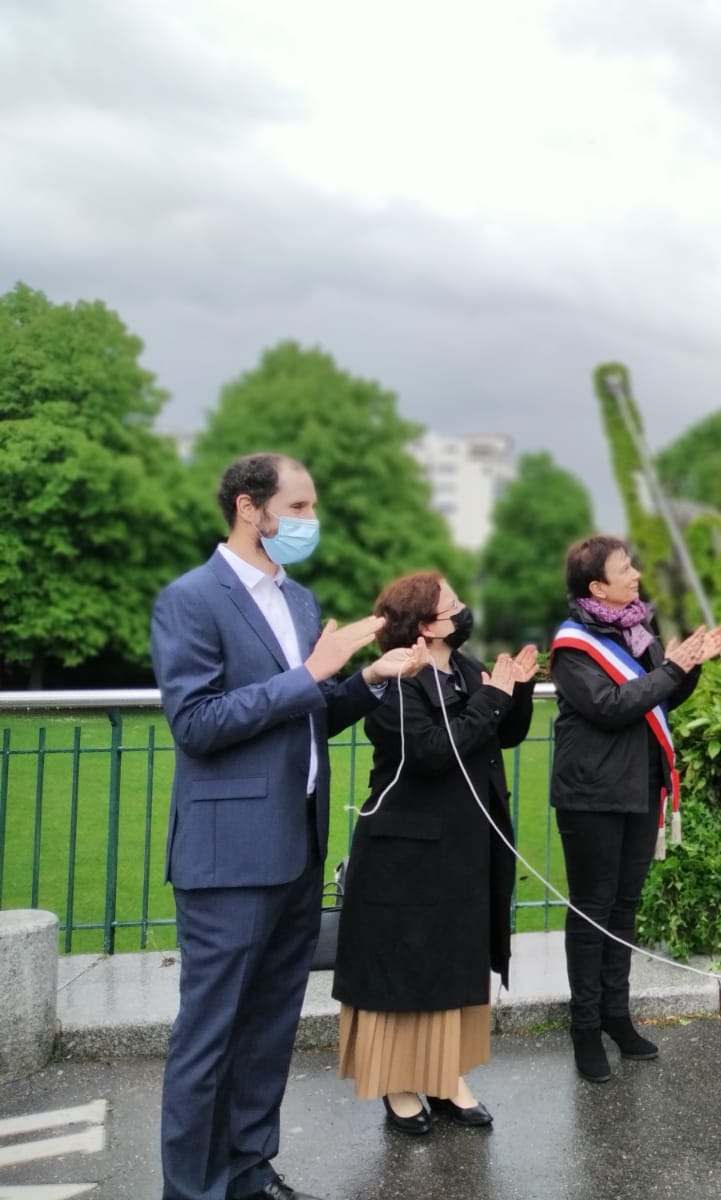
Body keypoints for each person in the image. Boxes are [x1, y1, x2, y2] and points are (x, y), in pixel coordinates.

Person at [151, 453, 426, 1200]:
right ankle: (195, 1189)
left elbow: (309, 715)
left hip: (298, 847)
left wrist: (363, 679)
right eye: (299, 508)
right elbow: (197, 723)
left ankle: (247, 1169)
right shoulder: (191, 600)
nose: (311, 522)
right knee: (210, 1037)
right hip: (228, 858)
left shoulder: (300, 603)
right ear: (250, 507)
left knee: (269, 1028)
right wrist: (311, 674)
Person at [332, 571, 538, 1134]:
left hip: (465, 849)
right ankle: (398, 1085)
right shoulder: (396, 680)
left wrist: (514, 692)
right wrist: (493, 701)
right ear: (424, 625)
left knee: (454, 967)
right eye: (450, 605)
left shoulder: (468, 668)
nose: (462, 609)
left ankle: (446, 1077)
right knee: (402, 974)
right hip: (405, 856)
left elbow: (502, 733)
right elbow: (428, 752)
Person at [549, 535, 721, 1082]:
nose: (635, 577)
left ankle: (615, 1015)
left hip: (638, 788)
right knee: (592, 909)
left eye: (632, 567)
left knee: (625, 907)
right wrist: (671, 668)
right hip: (592, 795)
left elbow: (659, 698)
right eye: (624, 570)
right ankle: (584, 1027)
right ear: (596, 586)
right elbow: (610, 707)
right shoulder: (574, 646)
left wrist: (687, 666)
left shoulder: (635, 630)